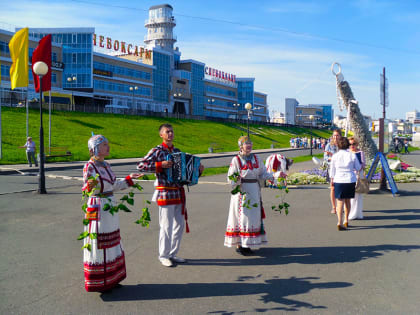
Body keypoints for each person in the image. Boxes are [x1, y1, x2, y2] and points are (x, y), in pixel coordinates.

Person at [137, 123, 204, 267]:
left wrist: (198, 171)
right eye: (167, 132)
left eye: (172, 131)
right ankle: (163, 255)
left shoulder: (178, 151)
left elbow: (185, 175)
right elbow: (141, 165)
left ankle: (173, 253)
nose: (170, 134)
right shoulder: (157, 151)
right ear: (161, 135)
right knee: (166, 226)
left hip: (178, 193)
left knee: (179, 225)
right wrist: (160, 165)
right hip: (165, 192)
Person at [82, 135, 143, 292]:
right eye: (104, 145)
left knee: (112, 241)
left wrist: (130, 178)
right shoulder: (89, 167)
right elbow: (87, 189)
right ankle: (99, 281)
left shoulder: (107, 165)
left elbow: (114, 185)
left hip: (109, 205)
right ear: (94, 149)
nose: (108, 147)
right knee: (99, 241)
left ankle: (112, 278)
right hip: (97, 206)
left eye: (108, 144)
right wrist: (90, 185)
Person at [224, 136, 278, 255]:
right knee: (242, 217)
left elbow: (263, 173)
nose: (249, 145)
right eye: (246, 144)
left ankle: (248, 243)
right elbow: (230, 178)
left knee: (253, 217)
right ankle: (240, 244)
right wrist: (236, 178)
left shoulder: (257, 158)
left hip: (254, 191)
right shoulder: (236, 160)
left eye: (250, 143)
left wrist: (276, 176)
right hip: (241, 192)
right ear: (240, 146)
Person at [330, 137, 362, 230]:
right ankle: (346, 220)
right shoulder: (352, 155)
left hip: (339, 179)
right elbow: (358, 167)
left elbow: (332, 170)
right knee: (348, 201)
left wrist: (332, 180)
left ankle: (339, 222)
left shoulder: (335, 156)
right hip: (349, 179)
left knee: (339, 202)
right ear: (348, 145)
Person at [324, 129, 341, 214]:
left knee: (341, 188)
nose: (335, 137)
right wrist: (332, 158)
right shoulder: (329, 146)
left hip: (341, 169)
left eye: (337, 135)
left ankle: (340, 205)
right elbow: (326, 158)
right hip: (332, 169)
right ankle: (334, 207)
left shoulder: (343, 145)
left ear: (340, 136)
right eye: (334, 135)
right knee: (333, 188)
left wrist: (334, 157)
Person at [348, 137, 365, 220]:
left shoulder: (360, 153)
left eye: (354, 144)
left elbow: (363, 164)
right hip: (350, 176)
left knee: (358, 195)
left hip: (358, 175)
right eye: (350, 144)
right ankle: (351, 213)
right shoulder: (347, 153)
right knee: (351, 196)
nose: (352, 146)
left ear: (357, 144)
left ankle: (358, 213)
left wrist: (357, 169)